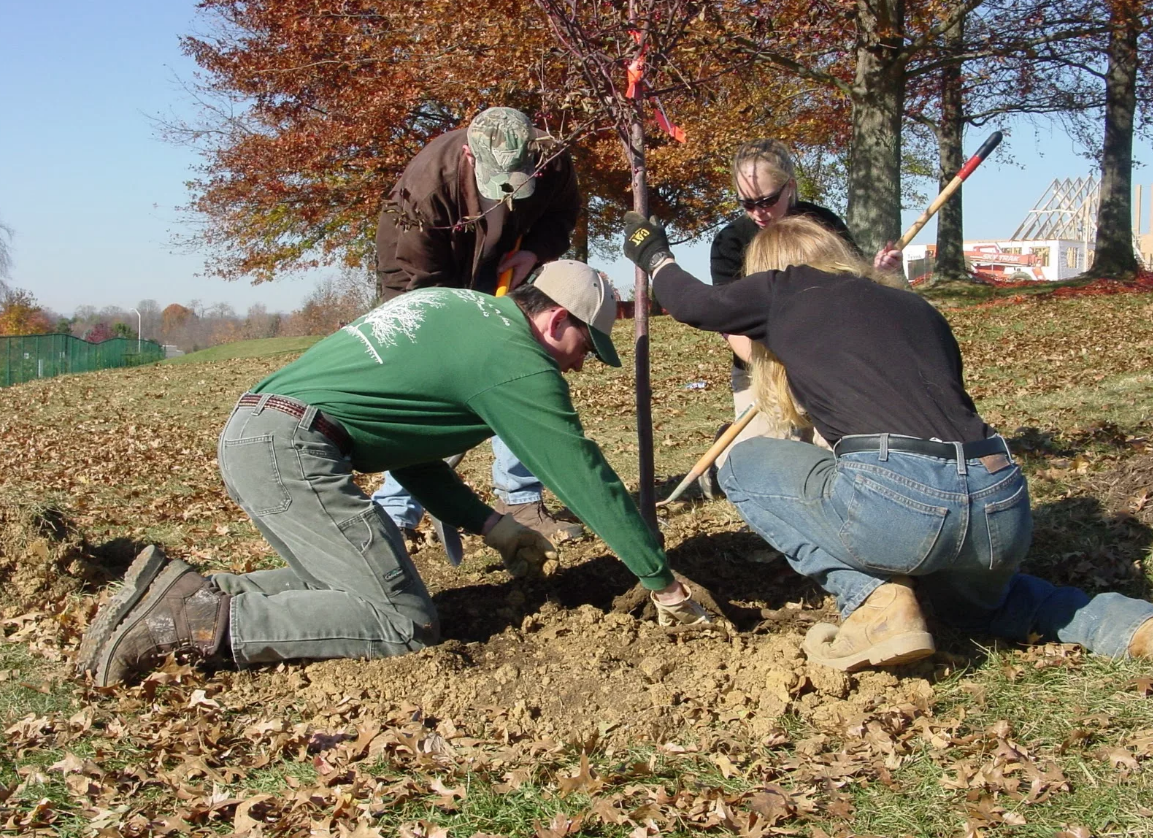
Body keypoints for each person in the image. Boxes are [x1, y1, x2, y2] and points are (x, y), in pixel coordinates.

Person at [77, 261, 711, 687]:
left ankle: (193, 589)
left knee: (334, 581)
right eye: (584, 347)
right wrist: (662, 582)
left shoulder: (460, 310)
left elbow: (405, 449)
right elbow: (582, 474)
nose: (579, 367)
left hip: (260, 431)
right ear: (555, 321)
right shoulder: (518, 359)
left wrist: (490, 525)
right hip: (293, 449)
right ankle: (184, 624)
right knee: (402, 622)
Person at [621, 213, 1153, 671]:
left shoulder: (785, 287)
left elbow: (695, 304)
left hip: (904, 501)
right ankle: (1131, 624)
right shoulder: (915, 308)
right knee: (987, 608)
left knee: (743, 463)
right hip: (1000, 501)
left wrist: (654, 254)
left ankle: (877, 604)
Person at [373, 106, 584, 544]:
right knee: (434, 389)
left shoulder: (552, 159)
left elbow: (562, 214)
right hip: (422, 280)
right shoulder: (428, 185)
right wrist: (459, 338)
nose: (506, 190)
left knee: (520, 369)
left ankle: (521, 501)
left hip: (507, 267)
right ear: (470, 155)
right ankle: (395, 512)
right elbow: (423, 279)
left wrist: (536, 252)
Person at [700, 140, 902, 495]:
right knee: (767, 461)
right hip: (761, 362)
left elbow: (851, 287)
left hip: (828, 360)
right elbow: (731, 327)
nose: (758, 211)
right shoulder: (731, 243)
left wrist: (878, 274)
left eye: (767, 200)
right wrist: (783, 371)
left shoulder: (822, 224)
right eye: (747, 203)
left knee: (842, 454)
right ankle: (723, 458)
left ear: (790, 186)